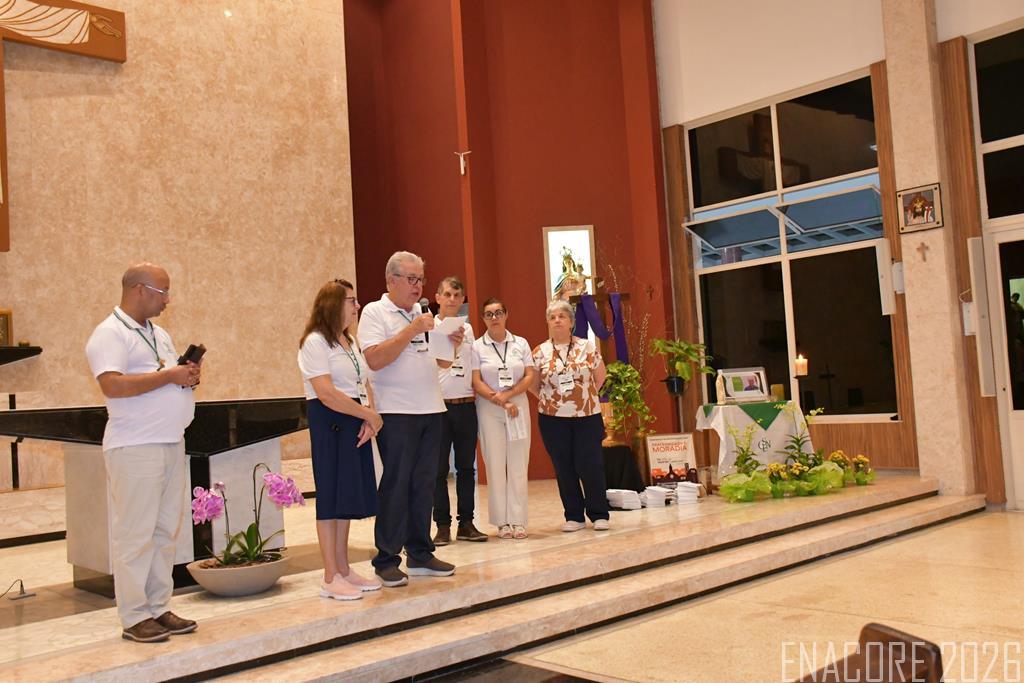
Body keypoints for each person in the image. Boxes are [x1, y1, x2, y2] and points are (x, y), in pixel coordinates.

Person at [84, 263, 200, 643]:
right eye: (163, 292)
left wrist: (185, 377)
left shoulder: (159, 334)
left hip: (170, 441)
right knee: (136, 533)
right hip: (135, 446)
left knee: (165, 531)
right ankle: (135, 616)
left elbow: (161, 377)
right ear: (139, 289)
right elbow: (112, 385)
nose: (168, 300)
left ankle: (158, 606)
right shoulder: (110, 333)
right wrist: (169, 377)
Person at [358, 251, 460, 587]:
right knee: (396, 484)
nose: (418, 287)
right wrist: (411, 329)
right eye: (412, 279)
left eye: (421, 280)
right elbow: (375, 359)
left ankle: (420, 553)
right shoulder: (375, 312)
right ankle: (386, 559)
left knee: (425, 484)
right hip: (396, 411)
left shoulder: (422, 312)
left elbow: (442, 362)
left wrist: (451, 343)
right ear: (392, 280)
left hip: (431, 407)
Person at [298, 279, 384, 600]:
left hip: (354, 419)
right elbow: (325, 392)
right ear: (333, 304)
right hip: (330, 420)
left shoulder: (350, 341)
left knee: (346, 497)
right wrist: (368, 415)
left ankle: (344, 569)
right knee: (331, 496)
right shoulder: (315, 342)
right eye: (352, 300)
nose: (357, 306)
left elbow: (364, 383)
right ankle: (330, 575)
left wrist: (370, 416)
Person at [530, 299, 610, 532]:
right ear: (548, 322)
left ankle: (599, 513)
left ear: (571, 322)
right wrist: (552, 401)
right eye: (552, 317)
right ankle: (574, 516)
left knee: (591, 464)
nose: (557, 320)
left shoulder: (587, 347)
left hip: (587, 415)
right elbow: (533, 384)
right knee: (563, 466)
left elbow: (600, 377)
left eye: (562, 316)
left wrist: (583, 397)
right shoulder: (540, 352)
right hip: (553, 419)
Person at [471, 298, 537, 539]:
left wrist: (509, 396)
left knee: (518, 462)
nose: (494, 318)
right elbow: (476, 380)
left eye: (498, 312)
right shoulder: (477, 347)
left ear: (506, 314)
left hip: (516, 406)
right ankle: (502, 522)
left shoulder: (520, 343)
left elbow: (529, 375)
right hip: (489, 407)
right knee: (495, 463)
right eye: (489, 314)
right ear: (483, 319)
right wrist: (499, 399)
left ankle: (518, 520)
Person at [432, 276, 487, 545]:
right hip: (438, 408)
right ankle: (442, 526)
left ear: (463, 299)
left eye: (457, 295)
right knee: (438, 470)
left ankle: (466, 523)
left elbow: (473, 365)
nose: (452, 299)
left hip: (466, 405)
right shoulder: (429, 327)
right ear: (438, 298)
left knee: (466, 468)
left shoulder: (469, 329)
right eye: (447, 294)